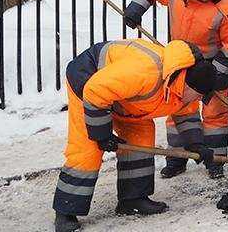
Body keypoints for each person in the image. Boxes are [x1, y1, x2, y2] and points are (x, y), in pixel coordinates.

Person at [53, 39, 217, 232]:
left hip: (127, 98)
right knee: (88, 150)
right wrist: (102, 135)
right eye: (199, 96)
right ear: (189, 86)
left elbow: (186, 113)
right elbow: (95, 91)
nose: (200, 100)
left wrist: (196, 144)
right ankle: (66, 210)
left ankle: (133, 199)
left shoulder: (183, 83)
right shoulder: (146, 72)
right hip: (89, 80)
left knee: (141, 138)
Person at [123, 0, 228, 179]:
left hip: (214, 65)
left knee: (215, 113)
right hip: (181, 60)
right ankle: (177, 159)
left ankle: (216, 161)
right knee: (178, 108)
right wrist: (136, 9)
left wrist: (215, 76)